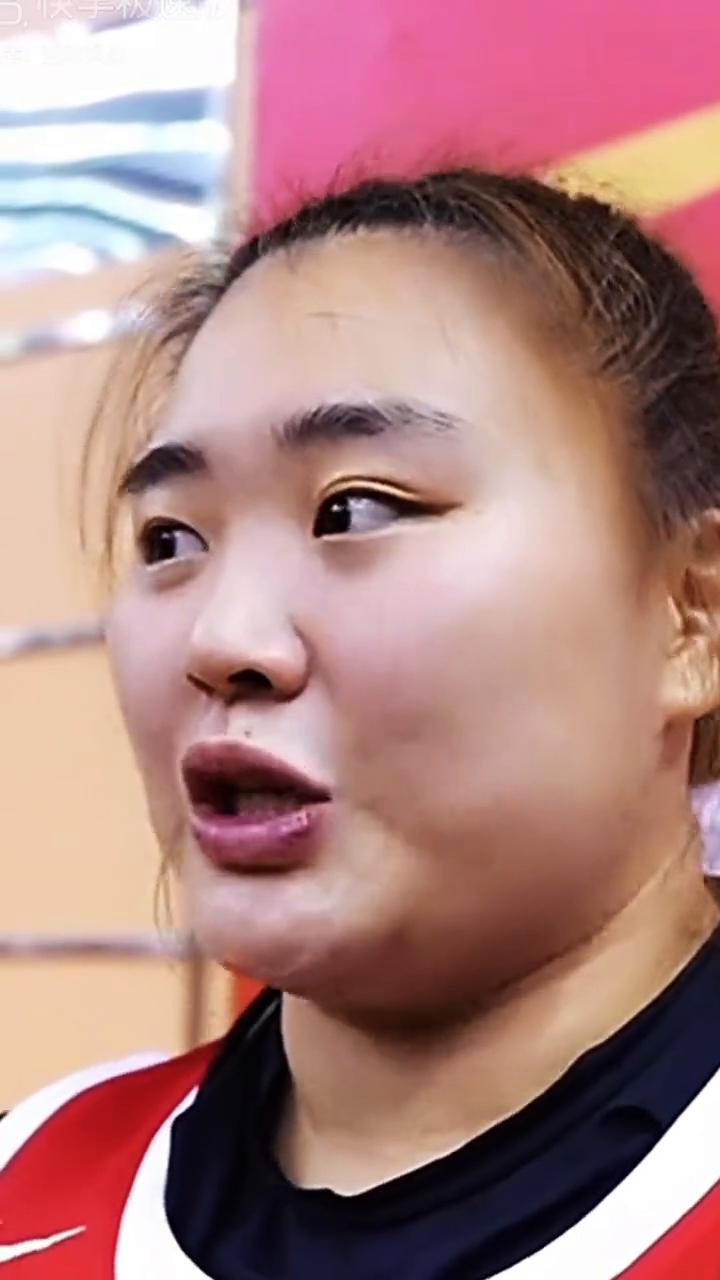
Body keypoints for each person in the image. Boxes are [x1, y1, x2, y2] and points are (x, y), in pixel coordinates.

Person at [2, 168, 720, 1279]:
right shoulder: (32, 1179)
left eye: (356, 509)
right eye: (169, 540)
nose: (223, 640)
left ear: (690, 615)